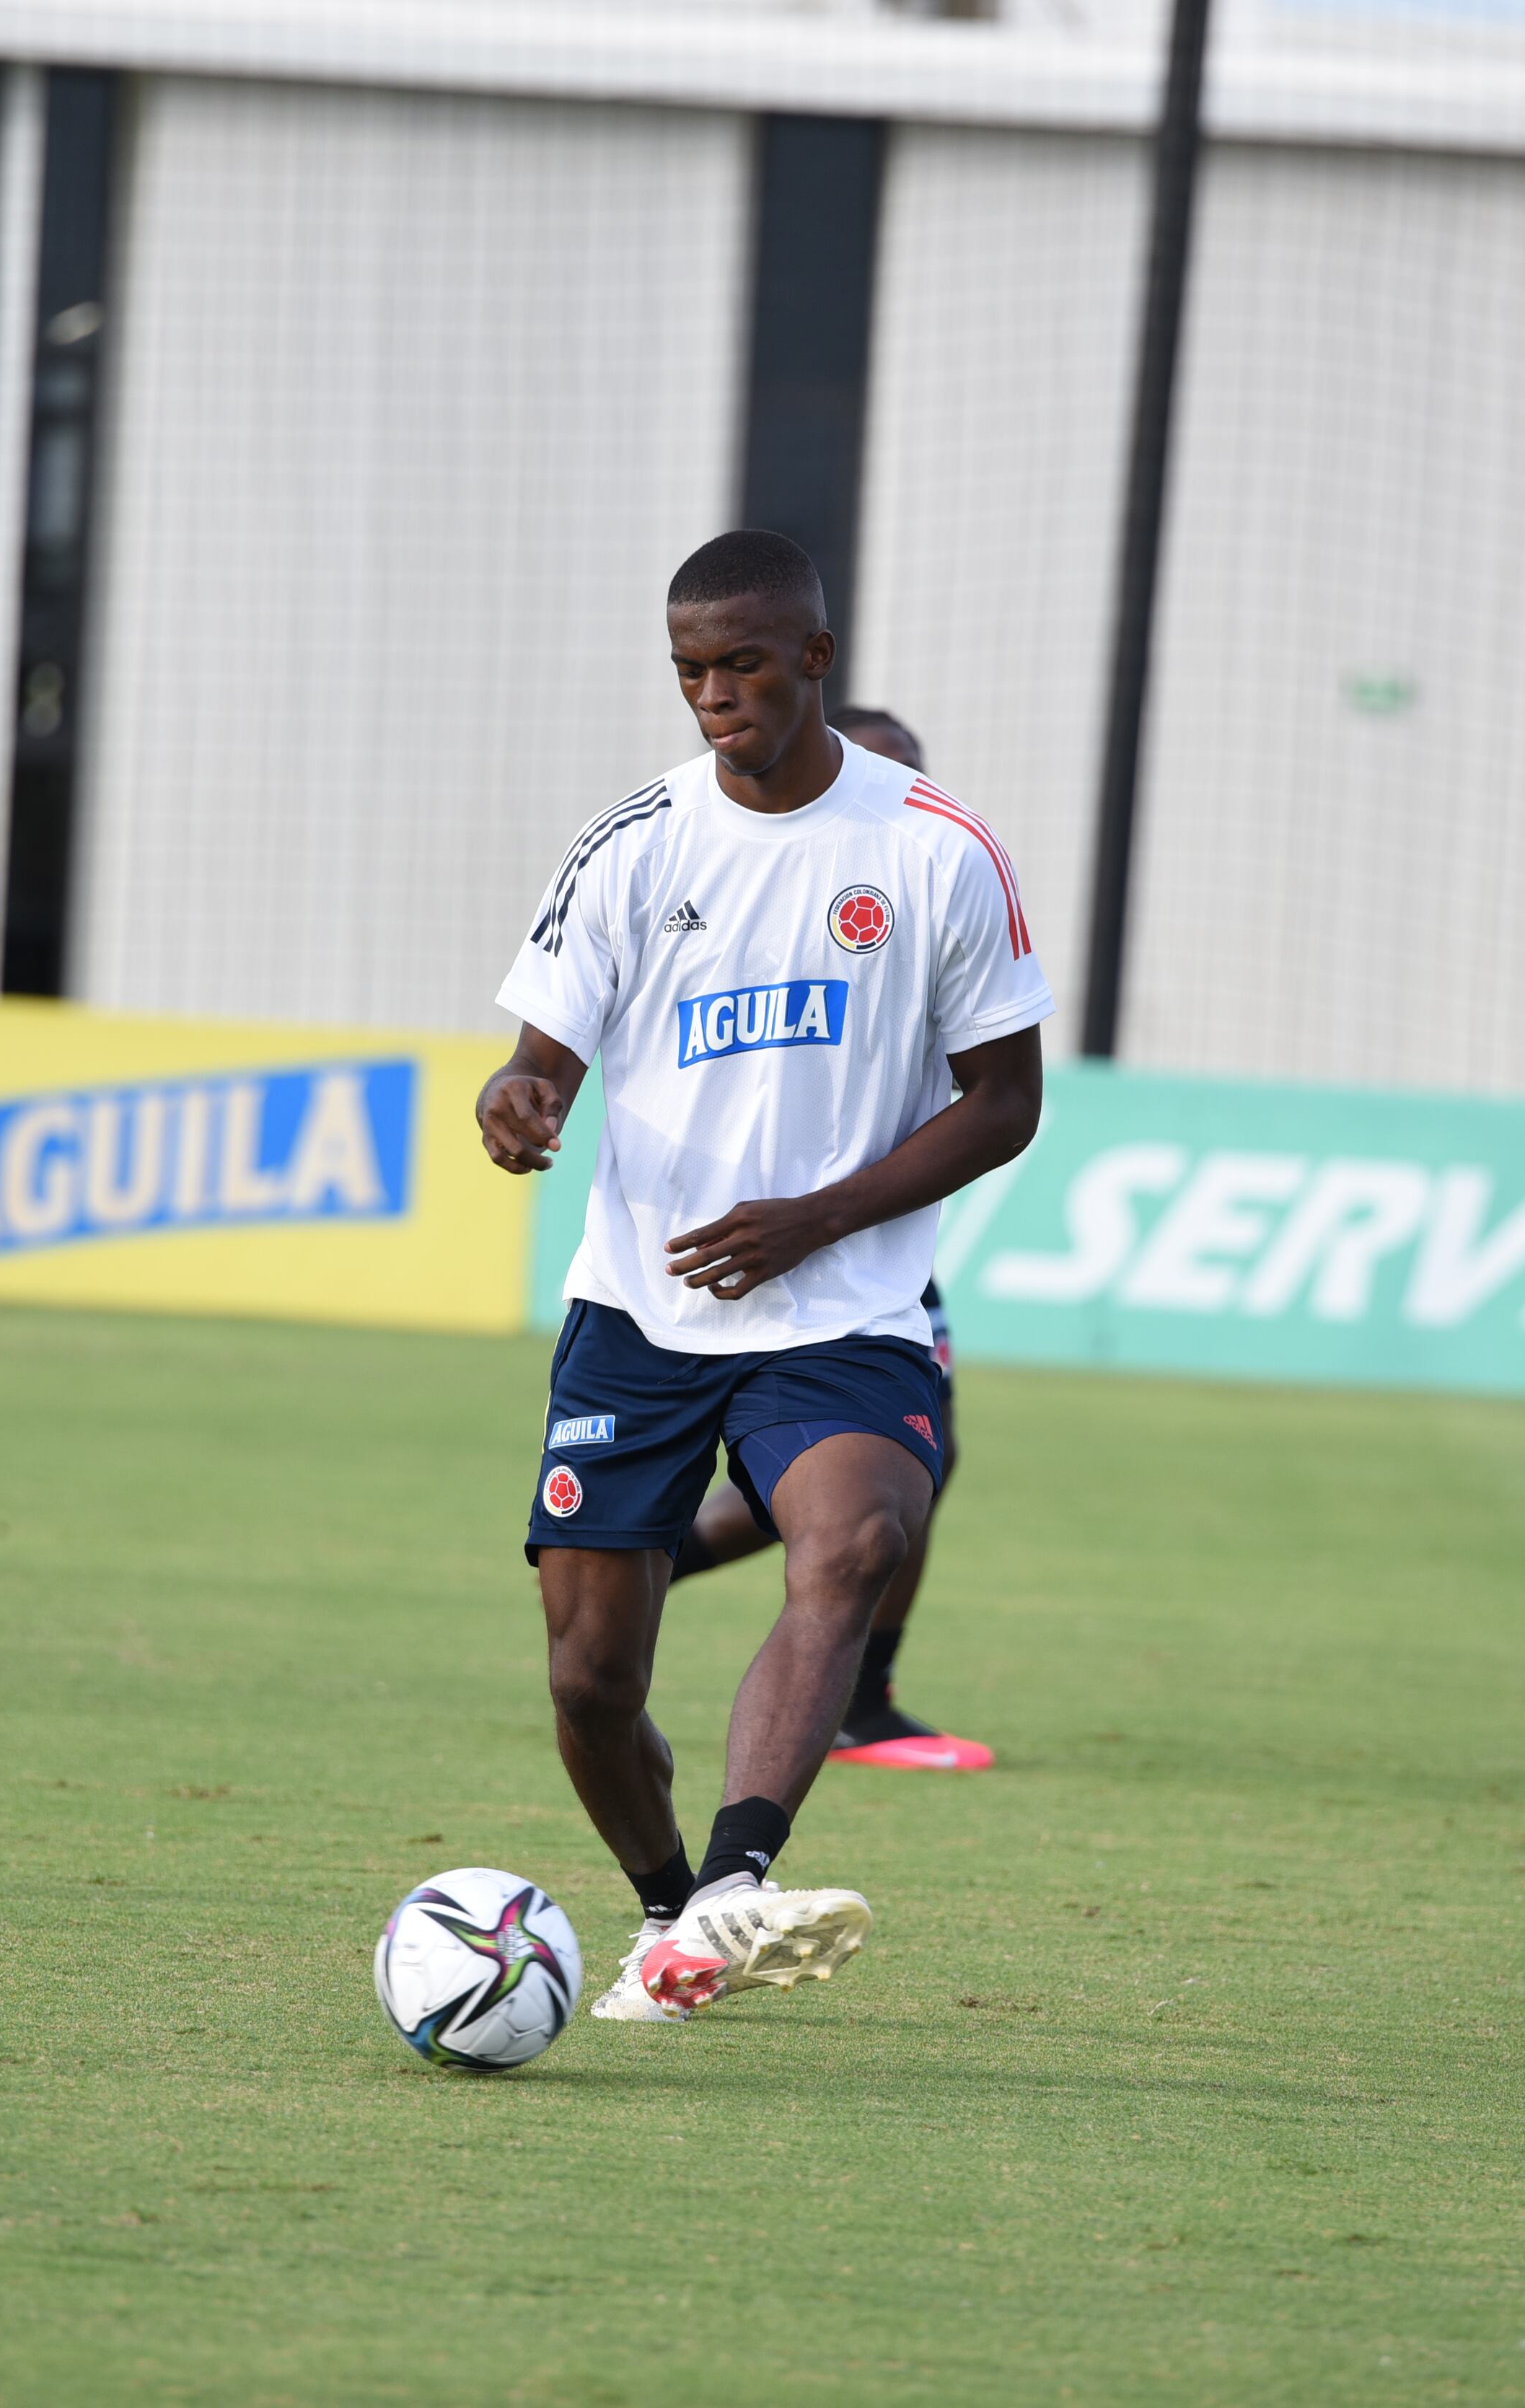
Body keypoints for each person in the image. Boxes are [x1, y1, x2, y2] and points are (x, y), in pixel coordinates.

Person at [478, 531, 1050, 2023]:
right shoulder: (632, 843)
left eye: (740, 663)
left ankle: (738, 1878)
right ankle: (669, 1919)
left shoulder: (934, 848)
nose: (713, 695)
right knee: (590, 1687)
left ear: (813, 659)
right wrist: (521, 1102)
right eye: (688, 671)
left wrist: (820, 1217)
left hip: (841, 1306)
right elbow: (541, 1055)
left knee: (855, 1541)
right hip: (638, 1311)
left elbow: (1006, 1102)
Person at [668, 706, 993, 1776]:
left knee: (904, 1460)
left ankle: (855, 1685)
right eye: (881, 778)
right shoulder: (770, 895)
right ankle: (635, 1559)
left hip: (875, 1236)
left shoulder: (932, 886)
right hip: (771, 1234)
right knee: (855, 1464)